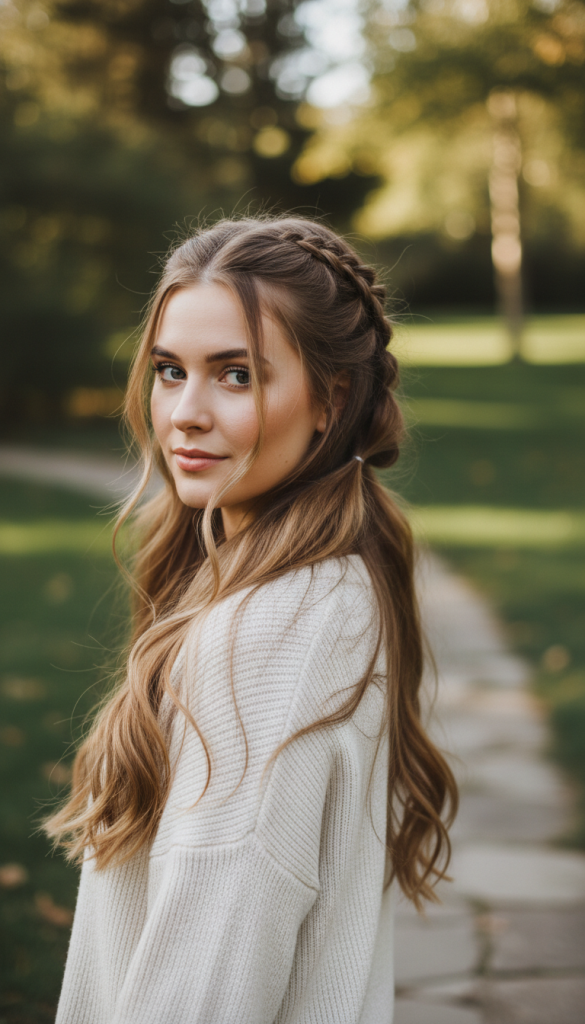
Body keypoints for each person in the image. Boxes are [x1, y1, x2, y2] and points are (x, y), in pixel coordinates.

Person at [45, 216, 457, 1024]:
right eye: (170, 371)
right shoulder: (304, 582)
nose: (185, 413)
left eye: (235, 376)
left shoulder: (275, 633)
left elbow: (208, 974)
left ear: (331, 401)